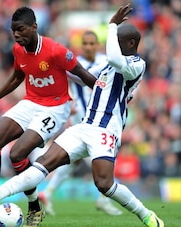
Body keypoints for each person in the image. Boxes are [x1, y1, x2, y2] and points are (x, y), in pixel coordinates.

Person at [0, 3, 164, 227]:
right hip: (83, 127)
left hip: (105, 130)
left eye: (115, 43)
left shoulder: (137, 65)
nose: (110, 48)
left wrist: (112, 26)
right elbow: (85, 78)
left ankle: (145, 214)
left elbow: (116, 60)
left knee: (104, 184)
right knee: (42, 164)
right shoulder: (108, 67)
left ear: (131, 43)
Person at [0, 6, 97, 227]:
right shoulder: (18, 50)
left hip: (55, 107)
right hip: (30, 102)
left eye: (21, 29)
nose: (16, 35)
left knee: (17, 153)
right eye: (13, 30)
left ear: (34, 27)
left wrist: (110, 96)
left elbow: (83, 75)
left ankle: (33, 205)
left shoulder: (55, 50)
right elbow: (17, 76)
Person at [38, 30, 122, 216]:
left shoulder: (105, 61)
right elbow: (60, 83)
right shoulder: (74, 63)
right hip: (83, 119)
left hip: (103, 118)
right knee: (105, 157)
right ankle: (104, 199)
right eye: (86, 43)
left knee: (73, 161)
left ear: (98, 45)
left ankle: (48, 193)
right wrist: (67, 102)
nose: (89, 47)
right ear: (81, 45)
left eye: (92, 43)